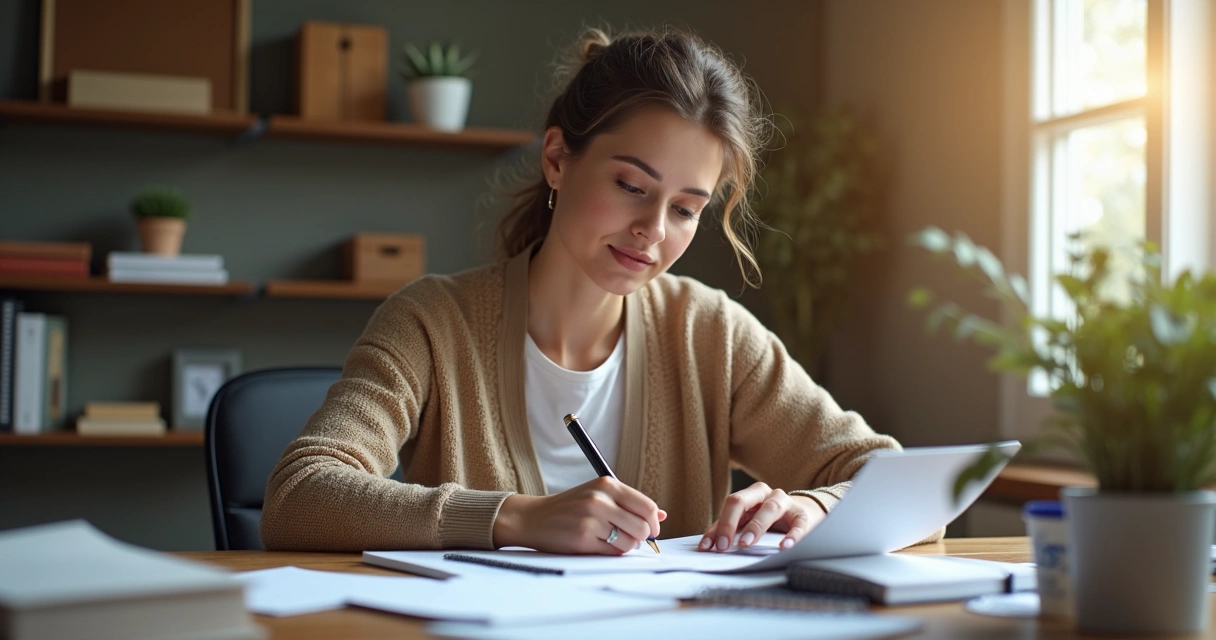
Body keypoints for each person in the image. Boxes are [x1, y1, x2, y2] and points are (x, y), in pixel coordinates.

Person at [261, 25, 933, 555]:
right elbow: (299, 497)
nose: (651, 231)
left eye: (685, 209)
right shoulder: (434, 322)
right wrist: (515, 518)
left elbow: (901, 483)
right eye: (631, 187)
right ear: (558, 159)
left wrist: (815, 507)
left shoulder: (711, 333)